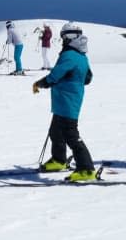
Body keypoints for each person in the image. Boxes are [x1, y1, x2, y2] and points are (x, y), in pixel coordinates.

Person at [33, 22, 96, 182]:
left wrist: (41, 83)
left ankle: (86, 168)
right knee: (56, 131)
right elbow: (88, 78)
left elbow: (55, 75)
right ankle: (58, 159)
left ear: (68, 37)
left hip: (67, 102)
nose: (62, 41)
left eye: (63, 37)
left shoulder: (69, 55)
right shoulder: (81, 55)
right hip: (65, 100)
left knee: (71, 134)